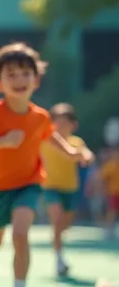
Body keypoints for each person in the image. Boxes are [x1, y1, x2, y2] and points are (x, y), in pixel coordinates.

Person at [0, 43, 89, 287]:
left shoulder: (41, 117)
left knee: (21, 233)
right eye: (11, 74)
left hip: (29, 184)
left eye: (25, 73)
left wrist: (70, 152)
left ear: (36, 79)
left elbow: (50, 135)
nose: (19, 80)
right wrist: (1, 141)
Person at [41, 103, 94, 277]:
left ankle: (57, 242)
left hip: (71, 189)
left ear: (73, 125)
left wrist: (86, 156)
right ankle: (59, 259)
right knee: (57, 221)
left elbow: (86, 153)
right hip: (50, 187)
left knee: (65, 224)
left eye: (65, 123)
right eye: (57, 122)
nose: (61, 126)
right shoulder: (45, 140)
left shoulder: (76, 142)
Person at [99, 146, 119, 238]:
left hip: (113, 192)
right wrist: (105, 190)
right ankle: (108, 229)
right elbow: (103, 179)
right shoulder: (110, 165)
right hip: (114, 192)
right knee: (112, 211)